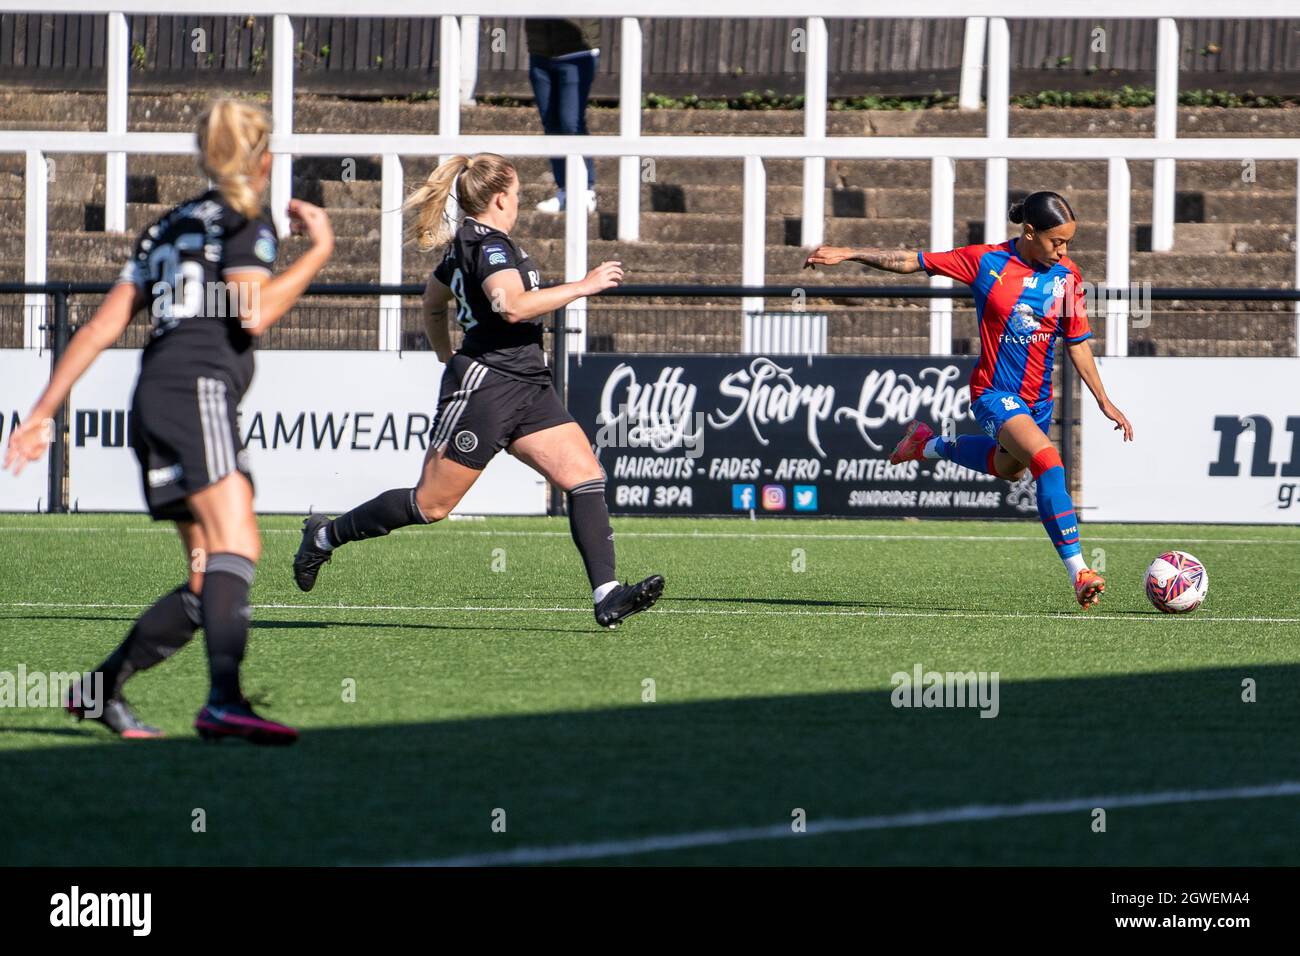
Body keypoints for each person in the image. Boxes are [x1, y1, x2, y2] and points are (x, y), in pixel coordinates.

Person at [4, 99, 335, 741]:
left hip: (153, 394)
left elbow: (102, 325)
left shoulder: (167, 226)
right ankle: (223, 700)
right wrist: (319, 251)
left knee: (207, 572)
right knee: (239, 545)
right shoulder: (245, 217)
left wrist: (42, 411)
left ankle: (101, 691)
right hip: (197, 391)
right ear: (263, 159)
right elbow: (252, 313)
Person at [292, 152, 663, 628]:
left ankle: (607, 595)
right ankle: (323, 537)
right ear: (502, 197)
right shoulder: (488, 246)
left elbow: (432, 303)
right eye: (518, 194)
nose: (520, 202)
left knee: (584, 476)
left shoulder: (471, 244)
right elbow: (510, 307)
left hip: (527, 384)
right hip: (490, 386)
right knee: (430, 505)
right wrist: (583, 286)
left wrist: (446, 353)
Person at [803, 191, 1133, 609]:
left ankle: (927, 444)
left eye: (1068, 242)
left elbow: (1079, 343)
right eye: (1057, 241)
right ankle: (1079, 571)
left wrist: (1104, 400)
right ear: (1030, 232)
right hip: (994, 394)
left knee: (1009, 469)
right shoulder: (986, 261)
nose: (1064, 250)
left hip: (1037, 403)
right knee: (1048, 463)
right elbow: (914, 261)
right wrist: (852, 253)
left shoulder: (1068, 276)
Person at [525, 18, 600, 213]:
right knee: (551, 123)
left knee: (571, 122)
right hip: (539, 50)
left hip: (577, 51)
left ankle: (586, 189)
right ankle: (564, 190)